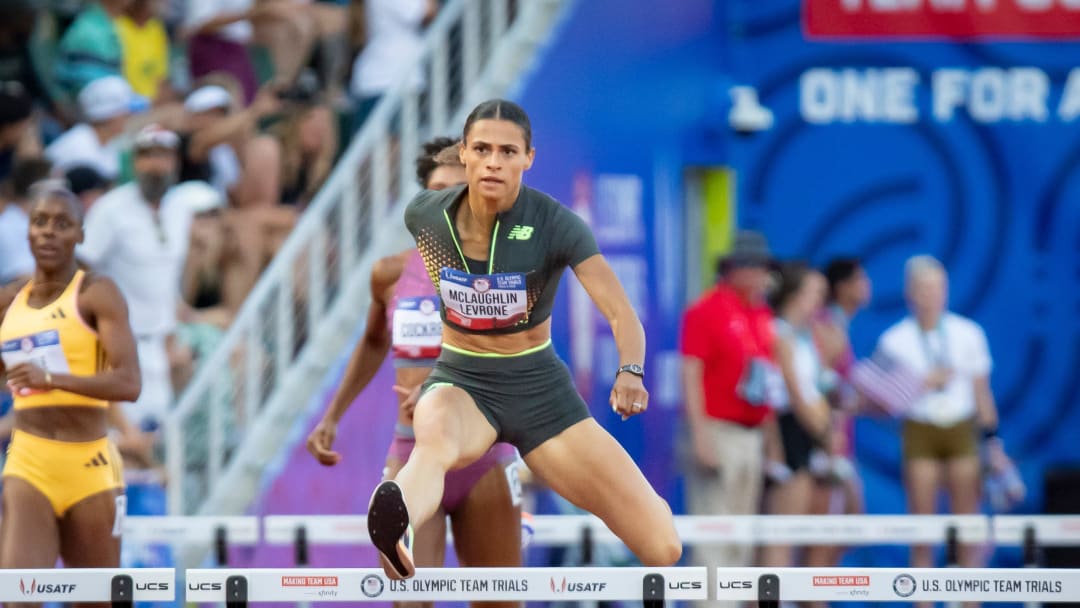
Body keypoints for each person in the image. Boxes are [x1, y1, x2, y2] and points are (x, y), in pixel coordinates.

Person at [366, 99, 681, 579]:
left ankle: (640, 505)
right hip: (462, 381)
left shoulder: (557, 225)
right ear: (464, 154)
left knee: (663, 547)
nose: (494, 161)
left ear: (529, 158)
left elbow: (621, 313)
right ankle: (396, 519)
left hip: (540, 393)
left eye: (508, 152)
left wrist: (631, 370)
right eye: (483, 149)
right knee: (434, 445)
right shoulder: (426, 217)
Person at [307, 137, 521, 603]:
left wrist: (446, 380)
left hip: (481, 455)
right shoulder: (390, 273)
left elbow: (518, 355)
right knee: (409, 599)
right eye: (437, 190)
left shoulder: (504, 270)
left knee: (499, 602)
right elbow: (372, 342)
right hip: (412, 452)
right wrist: (333, 415)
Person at [0, 185, 141, 580]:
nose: (48, 232)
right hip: (28, 460)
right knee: (19, 594)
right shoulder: (9, 303)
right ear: (27, 232)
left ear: (80, 234)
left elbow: (129, 383)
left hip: (90, 462)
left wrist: (51, 378)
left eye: (62, 224)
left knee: (94, 599)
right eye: (39, 222)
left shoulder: (97, 294)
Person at [876, 255, 1002, 581]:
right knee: (924, 530)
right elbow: (879, 403)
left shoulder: (968, 333)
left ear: (946, 291)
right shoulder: (894, 340)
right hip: (920, 430)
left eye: (937, 287)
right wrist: (919, 384)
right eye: (923, 288)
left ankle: (967, 602)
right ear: (910, 292)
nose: (931, 295)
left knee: (967, 528)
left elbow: (982, 394)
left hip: (960, 428)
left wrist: (993, 444)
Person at [679, 230, 778, 589]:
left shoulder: (761, 312)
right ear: (736, 269)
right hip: (718, 432)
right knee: (713, 535)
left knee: (741, 537)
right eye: (756, 267)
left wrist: (769, 442)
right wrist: (700, 435)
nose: (763, 275)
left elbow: (764, 381)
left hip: (750, 435)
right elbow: (691, 374)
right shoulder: (705, 310)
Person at [760, 262, 831, 569]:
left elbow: (816, 387)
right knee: (781, 534)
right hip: (790, 430)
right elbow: (795, 393)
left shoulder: (804, 336)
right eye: (815, 292)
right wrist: (822, 431)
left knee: (796, 531)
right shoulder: (777, 334)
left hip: (807, 432)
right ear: (795, 295)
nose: (820, 300)